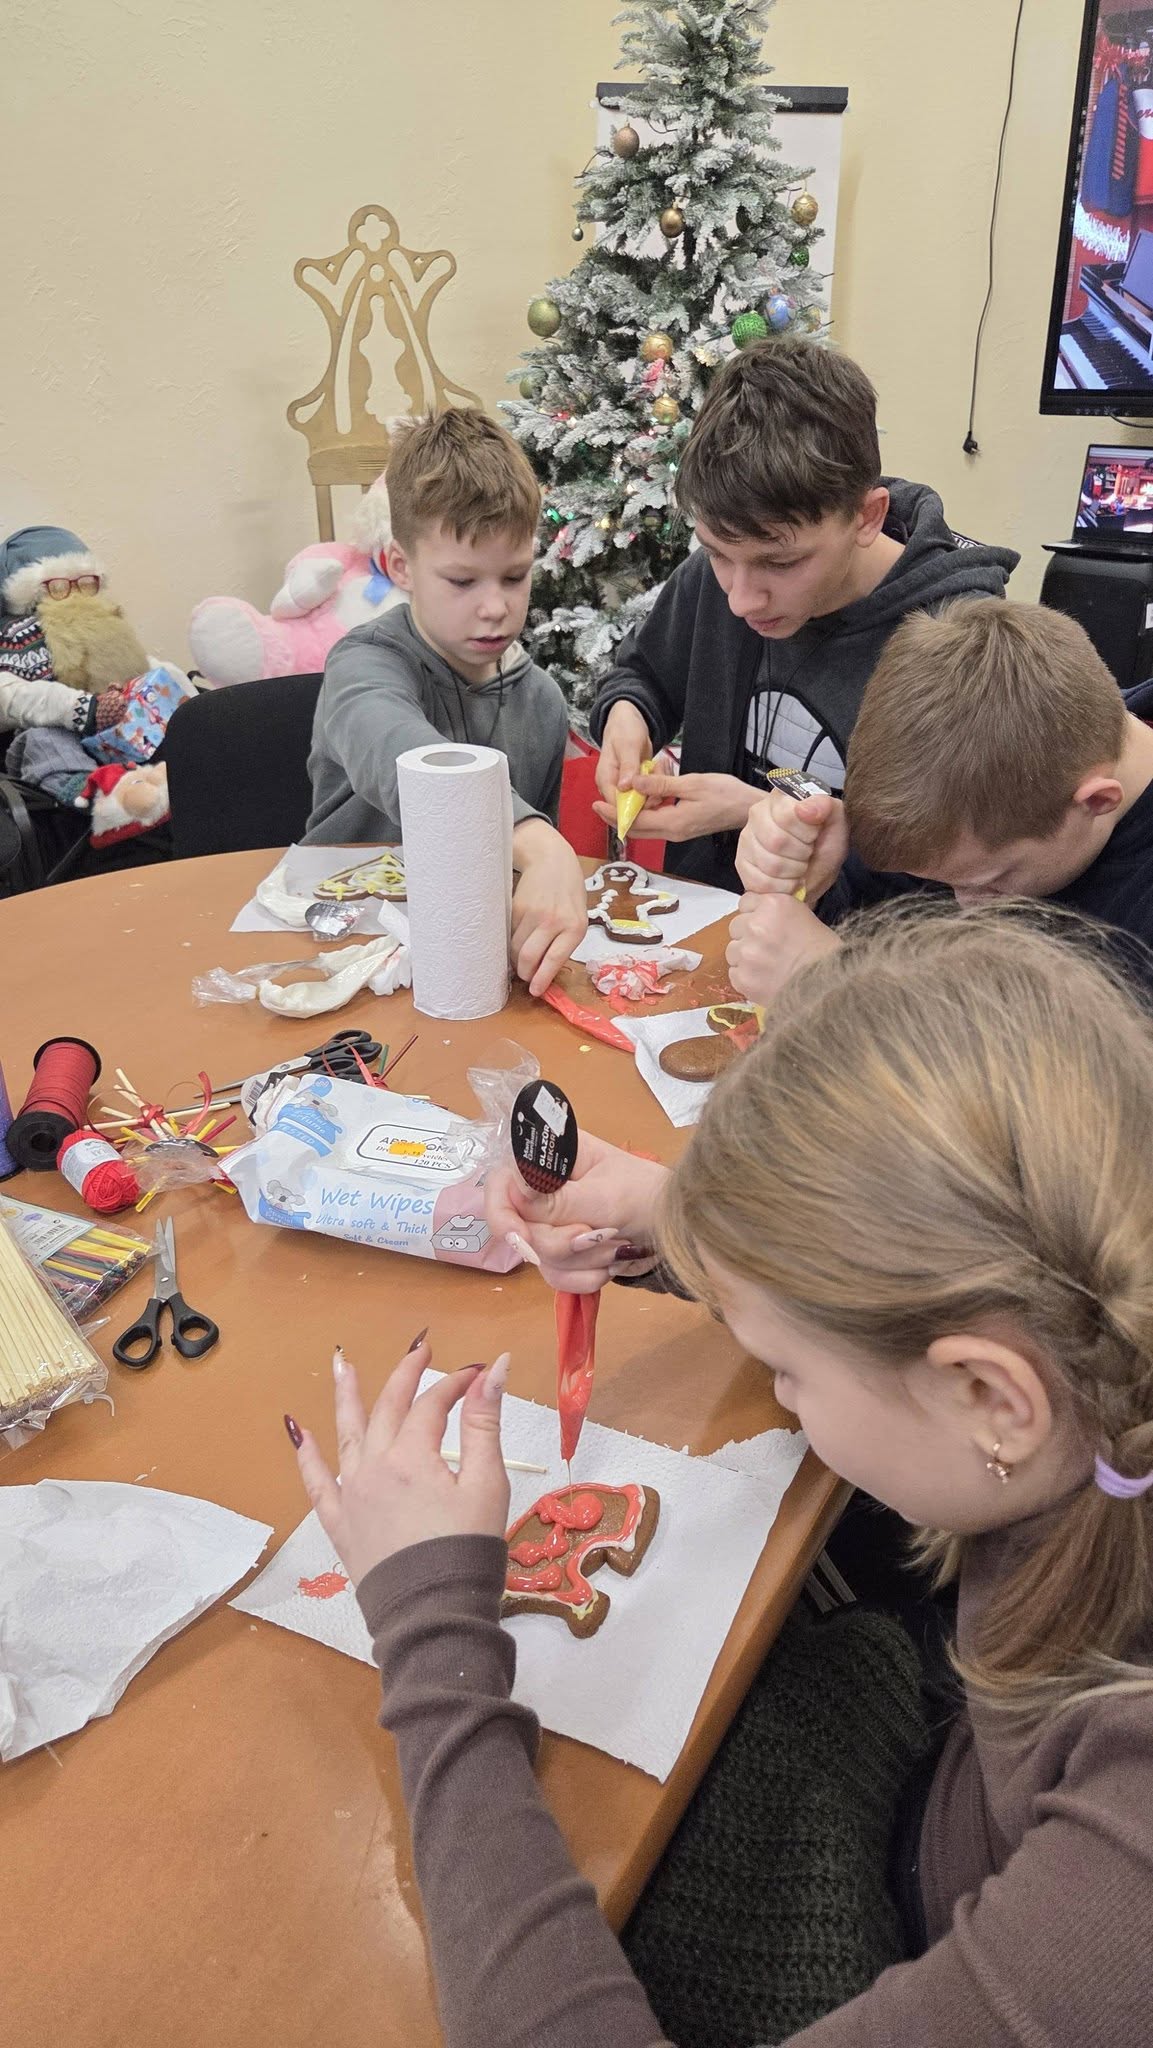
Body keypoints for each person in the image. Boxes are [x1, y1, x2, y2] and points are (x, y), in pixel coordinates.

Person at [288, 906, 1153, 2044]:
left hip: (899, 1929)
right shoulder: (1100, 1350)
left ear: (990, 1396)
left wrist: (430, 1633)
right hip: (955, 1809)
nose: (776, 1386)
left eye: (787, 1367)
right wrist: (683, 1219)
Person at [588, 340, 1017, 891]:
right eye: (717, 553)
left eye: (780, 563)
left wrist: (758, 812)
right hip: (705, 919)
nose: (741, 600)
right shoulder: (723, 572)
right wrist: (628, 717)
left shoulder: (955, 645)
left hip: (852, 943)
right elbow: (643, 675)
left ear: (867, 517)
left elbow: (953, 873)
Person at [727, 598, 1153, 1007]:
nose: (965, 906)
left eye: (991, 884)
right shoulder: (974, 800)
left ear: (1096, 802)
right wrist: (817, 881)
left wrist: (845, 988)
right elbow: (876, 908)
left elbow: (1094, 1054)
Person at [303, 408, 587, 995]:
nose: (495, 607)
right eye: (462, 581)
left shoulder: (541, 703)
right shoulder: (362, 665)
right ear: (400, 566)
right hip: (339, 954)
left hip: (471, 966)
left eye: (514, 577)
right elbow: (402, 753)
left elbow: (523, 888)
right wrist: (539, 843)